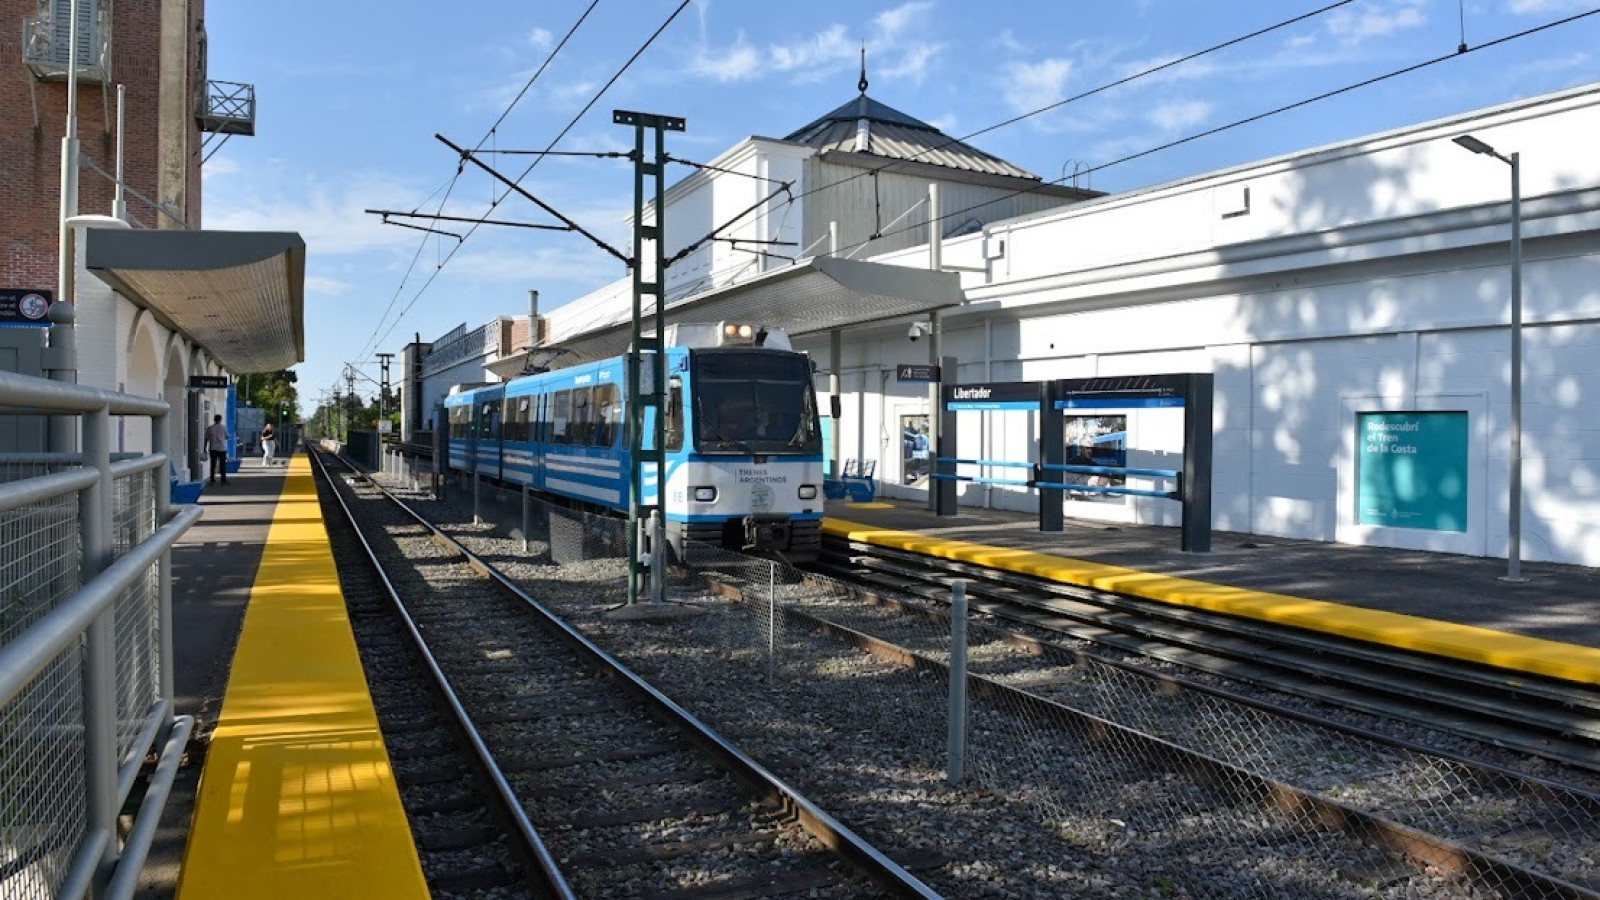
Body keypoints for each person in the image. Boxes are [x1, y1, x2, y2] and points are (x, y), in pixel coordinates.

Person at [205, 414, 230, 484]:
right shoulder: (223, 428)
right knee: (222, 464)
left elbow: (206, 439)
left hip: (213, 448)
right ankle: (223, 479)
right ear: (220, 420)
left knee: (213, 464)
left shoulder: (210, 428)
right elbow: (227, 436)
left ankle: (212, 479)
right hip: (222, 448)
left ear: (214, 420)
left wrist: (205, 448)